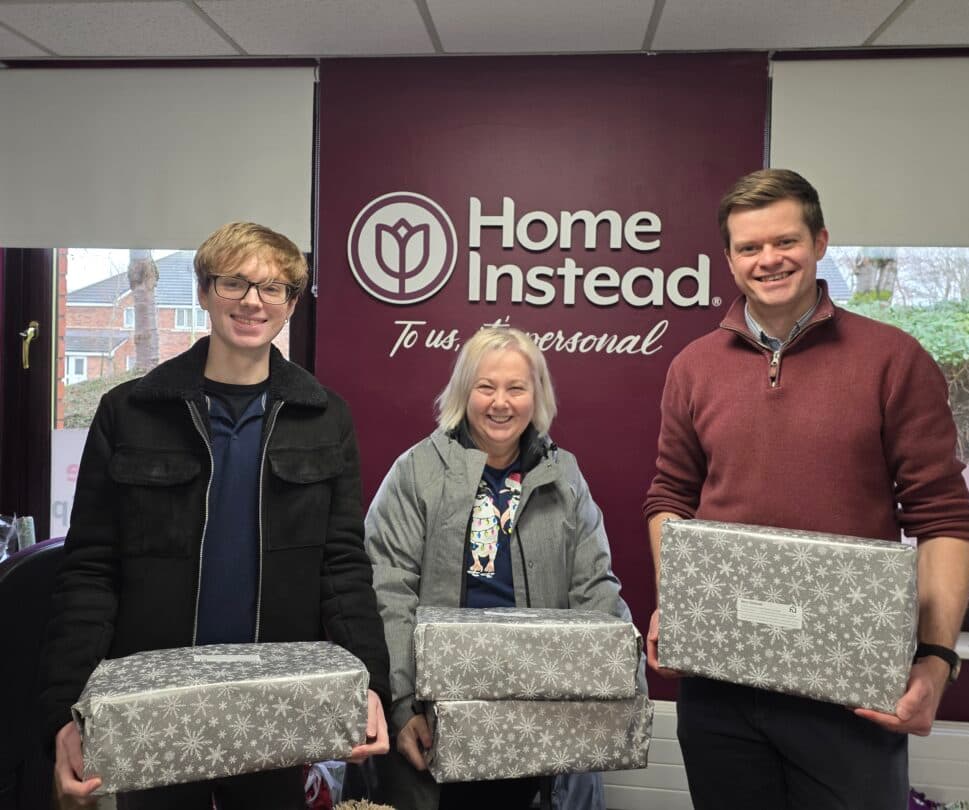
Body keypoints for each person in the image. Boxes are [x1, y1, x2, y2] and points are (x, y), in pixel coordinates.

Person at [644, 169, 969, 810]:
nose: (768, 259)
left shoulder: (893, 359)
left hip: (849, 691)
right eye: (749, 247)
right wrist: (681, 602)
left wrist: (935, 661)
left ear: (820, 241)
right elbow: (670, 498)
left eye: (785, 241)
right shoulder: (693, 368)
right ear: (730, 259)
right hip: (721, 687)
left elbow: (944, 518)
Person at [39, 223, 390, 809]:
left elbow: (344, 569)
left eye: (273, 289)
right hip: (152, 709)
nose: (253, 301)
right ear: (203, 292)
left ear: (290, 306)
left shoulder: (326, 419)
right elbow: (90, 574)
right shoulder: (129, 413)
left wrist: (372, 684)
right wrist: (64, 713)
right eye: (235, 283)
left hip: (276, 707)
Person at [365, 326, 642, 810]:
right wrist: (402, 704)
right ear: (462, 392)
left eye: (516, 388)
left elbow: (596, 588)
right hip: (439, 717)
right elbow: (388, 591)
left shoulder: (565, 476)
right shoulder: (415, 472)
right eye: (485, 386)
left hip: (542, 718)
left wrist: (624, 681)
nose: (501, 403)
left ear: (536, 396)